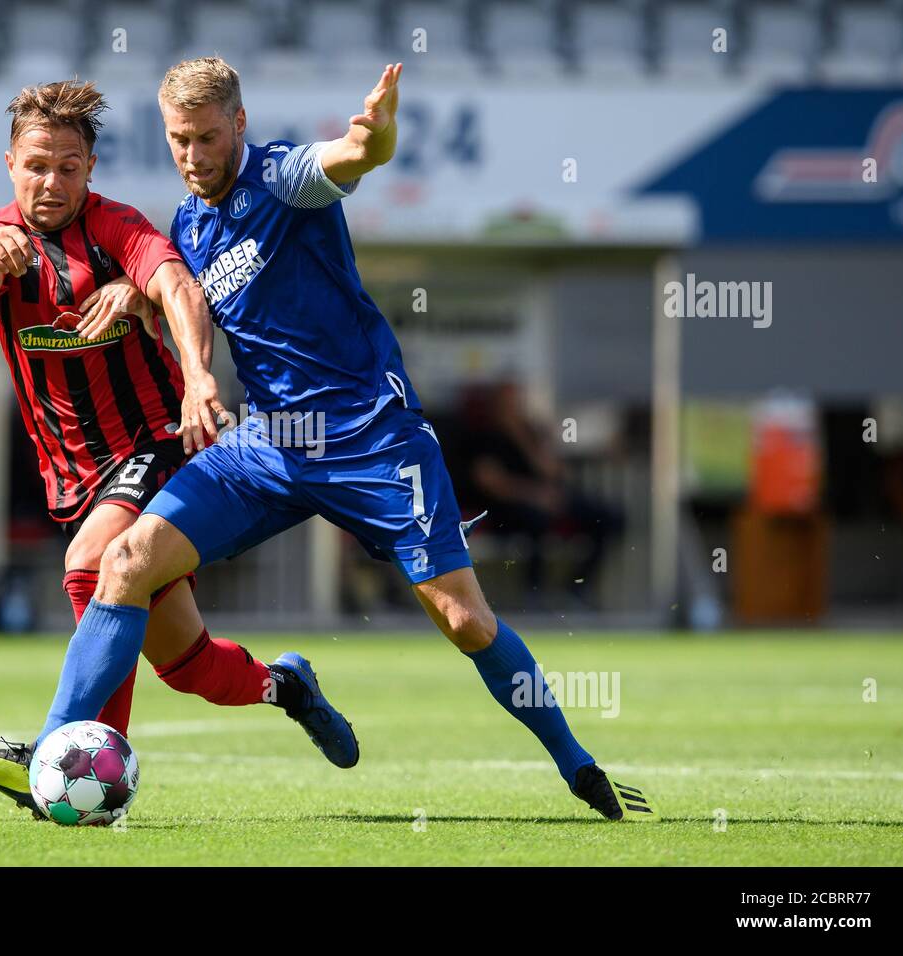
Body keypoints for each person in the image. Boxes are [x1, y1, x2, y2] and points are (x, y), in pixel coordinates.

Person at [34, 59, 653, 820]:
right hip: (268, 443)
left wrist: (375, 138)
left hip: (371, 438)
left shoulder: (283, 178)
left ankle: (581, 768)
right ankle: (51, 753)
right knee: (123, 561)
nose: (192, 156)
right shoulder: (190, 225)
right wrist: (138, 296)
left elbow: (348, 159)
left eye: (205, 137)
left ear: (239, 125)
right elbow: (179, 289)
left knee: (464, 620)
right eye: (177, 140)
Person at [0, 81, 357, 819]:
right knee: (186, 666)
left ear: (91, 169)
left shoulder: (116, 228)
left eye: (70, 166)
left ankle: (65, 757)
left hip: (157, 442)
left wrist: (198, 379)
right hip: (71, 475)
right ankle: (286, 685)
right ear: (9, 164)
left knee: (90, 561)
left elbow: (178, 286)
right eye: (37, 165)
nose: (52, 181)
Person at [466, 380, 624, 603]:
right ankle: (533, 591)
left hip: (547, 497)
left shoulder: (532, 430)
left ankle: (577, 586)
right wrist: (535, 495)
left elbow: (553, 471)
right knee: (536, 521)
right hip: (507, 507)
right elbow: (492, 483)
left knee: (608, 518)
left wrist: (524, 437)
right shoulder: (484, 437)